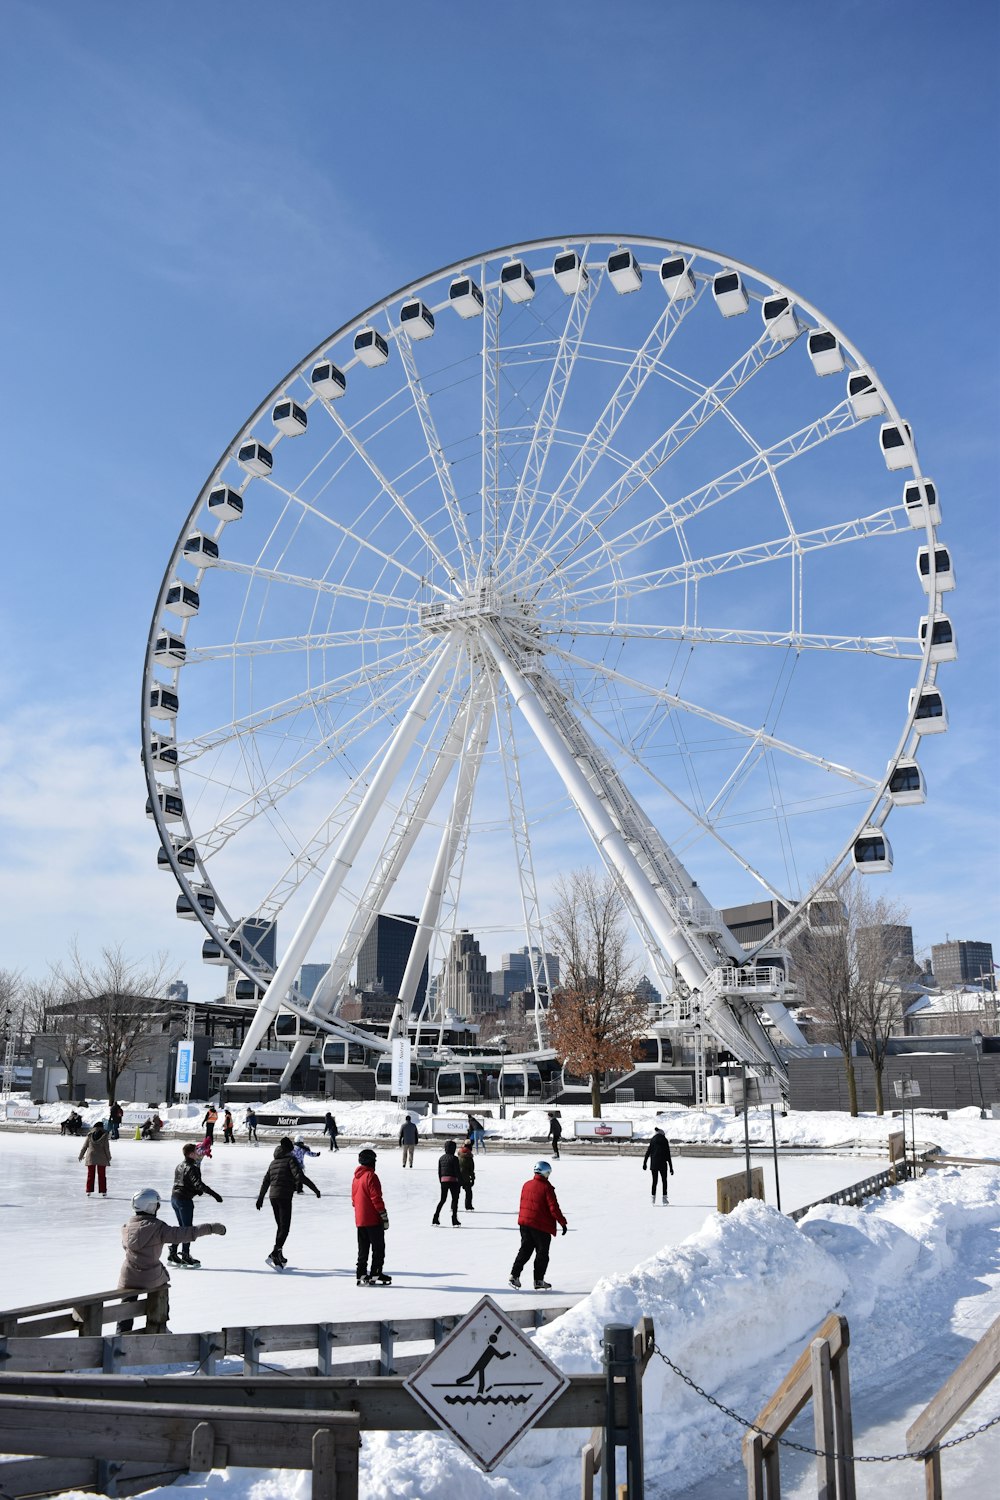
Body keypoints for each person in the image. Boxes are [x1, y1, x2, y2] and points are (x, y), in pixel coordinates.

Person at [116, 1188, 226, 1333]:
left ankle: (121, 1332)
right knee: (162, 1285)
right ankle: (160, 1326)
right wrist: (211, 1228)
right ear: (152, 1206)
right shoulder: (158, 1228)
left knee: (128, 1301)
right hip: (150, 1276)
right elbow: (186, 1233)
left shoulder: (126, 1228)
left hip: (128, 1276)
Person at [255, 1135, 321, 1269]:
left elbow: (266, 1181)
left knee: (281, 1227)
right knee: (284, 1228)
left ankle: (278, 1254)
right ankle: (275, 1253)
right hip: (284, 1196)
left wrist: (261, 1198)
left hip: (273, 1197)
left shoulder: (273, 1162)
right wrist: (315, 1189)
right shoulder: (291, 1160)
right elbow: (300, 1176)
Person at [509, 1160, 567, 1291]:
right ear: (546, 1172)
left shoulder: (526, 1184)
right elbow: (553, 1208)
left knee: (525, 1250)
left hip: (525, 1223)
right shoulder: (546, 1187)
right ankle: (539, 1280)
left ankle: (514, 1275)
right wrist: (562, 1222)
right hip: (540, 1225)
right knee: (542, 1253)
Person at [169, 1142, 223, 1266]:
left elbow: (183, 1182)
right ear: (191, 1153)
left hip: (175, 1199)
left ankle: (173, 1251)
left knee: (182, 1228)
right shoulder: (192, 1167)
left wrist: (196, 1191)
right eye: (196, 1151)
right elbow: (198, 1184)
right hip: (184, 1201)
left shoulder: (179, 1165)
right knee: (187, 1230)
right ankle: (185, 1255)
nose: (198, 1153)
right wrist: (215, 1195)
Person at [352, 1147, 391, 1285]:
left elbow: (353, 1200)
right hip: (373, 1219)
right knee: (378, 1247)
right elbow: (376, 1198)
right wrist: (383, 1216)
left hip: (360, 1220)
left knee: (363, 1248)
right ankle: (376, 1272)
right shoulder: (371, 1176)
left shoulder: (356, 1178)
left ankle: (361, 1273)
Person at [432, 1139, 462, 1226]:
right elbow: (457, 1172)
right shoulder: (455, 1158)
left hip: (444, 1181)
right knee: (455, 1200)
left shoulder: (441, 1158)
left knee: (442, 1200)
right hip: (453, 1181)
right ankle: (454, 1219)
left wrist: (441, 1181)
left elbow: (439, 1172)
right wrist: (460, 1182)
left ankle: (435, 1217)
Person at [79, 1120, 112, 1196]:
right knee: (102, 1175)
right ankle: (103, 1191)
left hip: (91, 1156)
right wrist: (109, 1157)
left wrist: (81, 1155)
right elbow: (106, 1148)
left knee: (90, 1174)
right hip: (102, 1157)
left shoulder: (90, 1135)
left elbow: (85, 1146)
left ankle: (89, 1191)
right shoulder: (105, 1135)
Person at [642, 1127, 674, 1204]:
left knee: (654, 1181)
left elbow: (648, 1152)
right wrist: (671, 1167)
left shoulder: (653, 1140)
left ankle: (653, 1199)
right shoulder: (665, 1140)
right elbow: (668, 1154)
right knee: (664, 1181)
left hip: (654, 1164)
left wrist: (644, 1163)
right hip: (663, 1164)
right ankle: (664, 1199)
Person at [458, 1139, 476, 1211]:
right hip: (466, 1177)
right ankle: (468, 1206)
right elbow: (471, 1169)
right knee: (469, 1192)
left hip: (458, 1176)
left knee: (456, 1193)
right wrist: (473, 1178)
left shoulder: (459, 1154)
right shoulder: (469, 1157)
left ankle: (453, 1206)